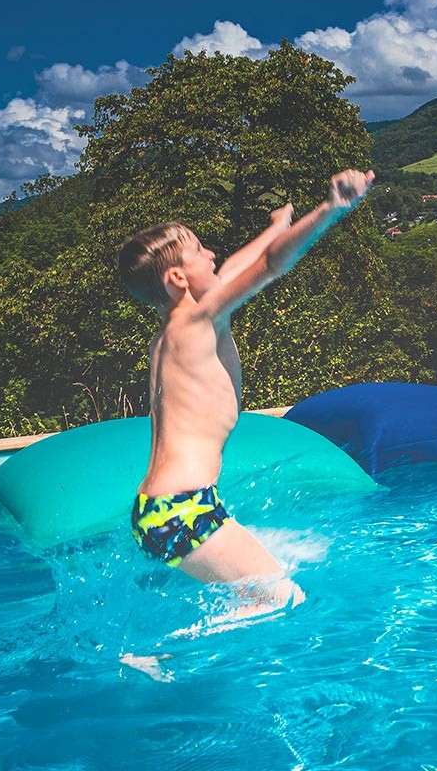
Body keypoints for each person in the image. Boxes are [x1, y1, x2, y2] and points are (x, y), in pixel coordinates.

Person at [116, 168, 375, 628]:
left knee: (286, 563)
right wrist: (329, 210)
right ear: (177, 277)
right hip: (184, 506)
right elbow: (269, 267)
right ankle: (160, 652)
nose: (211, 254)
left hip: (156, 510)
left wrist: (275, 227)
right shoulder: (197, 323)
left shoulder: (172, 331)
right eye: (199, 249)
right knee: (281, 597)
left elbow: (235, 267)